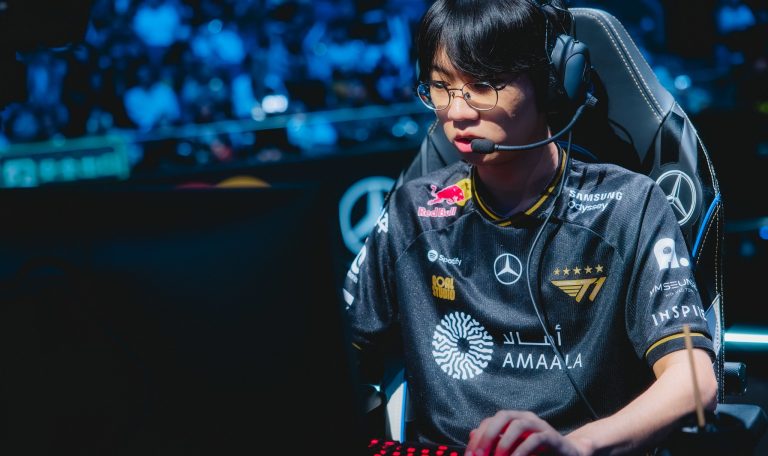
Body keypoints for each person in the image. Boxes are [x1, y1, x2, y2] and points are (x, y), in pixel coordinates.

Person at [343, 1, 718, 455]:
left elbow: (694, 381)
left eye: (482, 86)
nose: (456, 112)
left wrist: (576, 447)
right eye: (441, 87)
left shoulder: (629, 208)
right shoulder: (413, 211)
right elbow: (328, 353)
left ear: (551, 83)